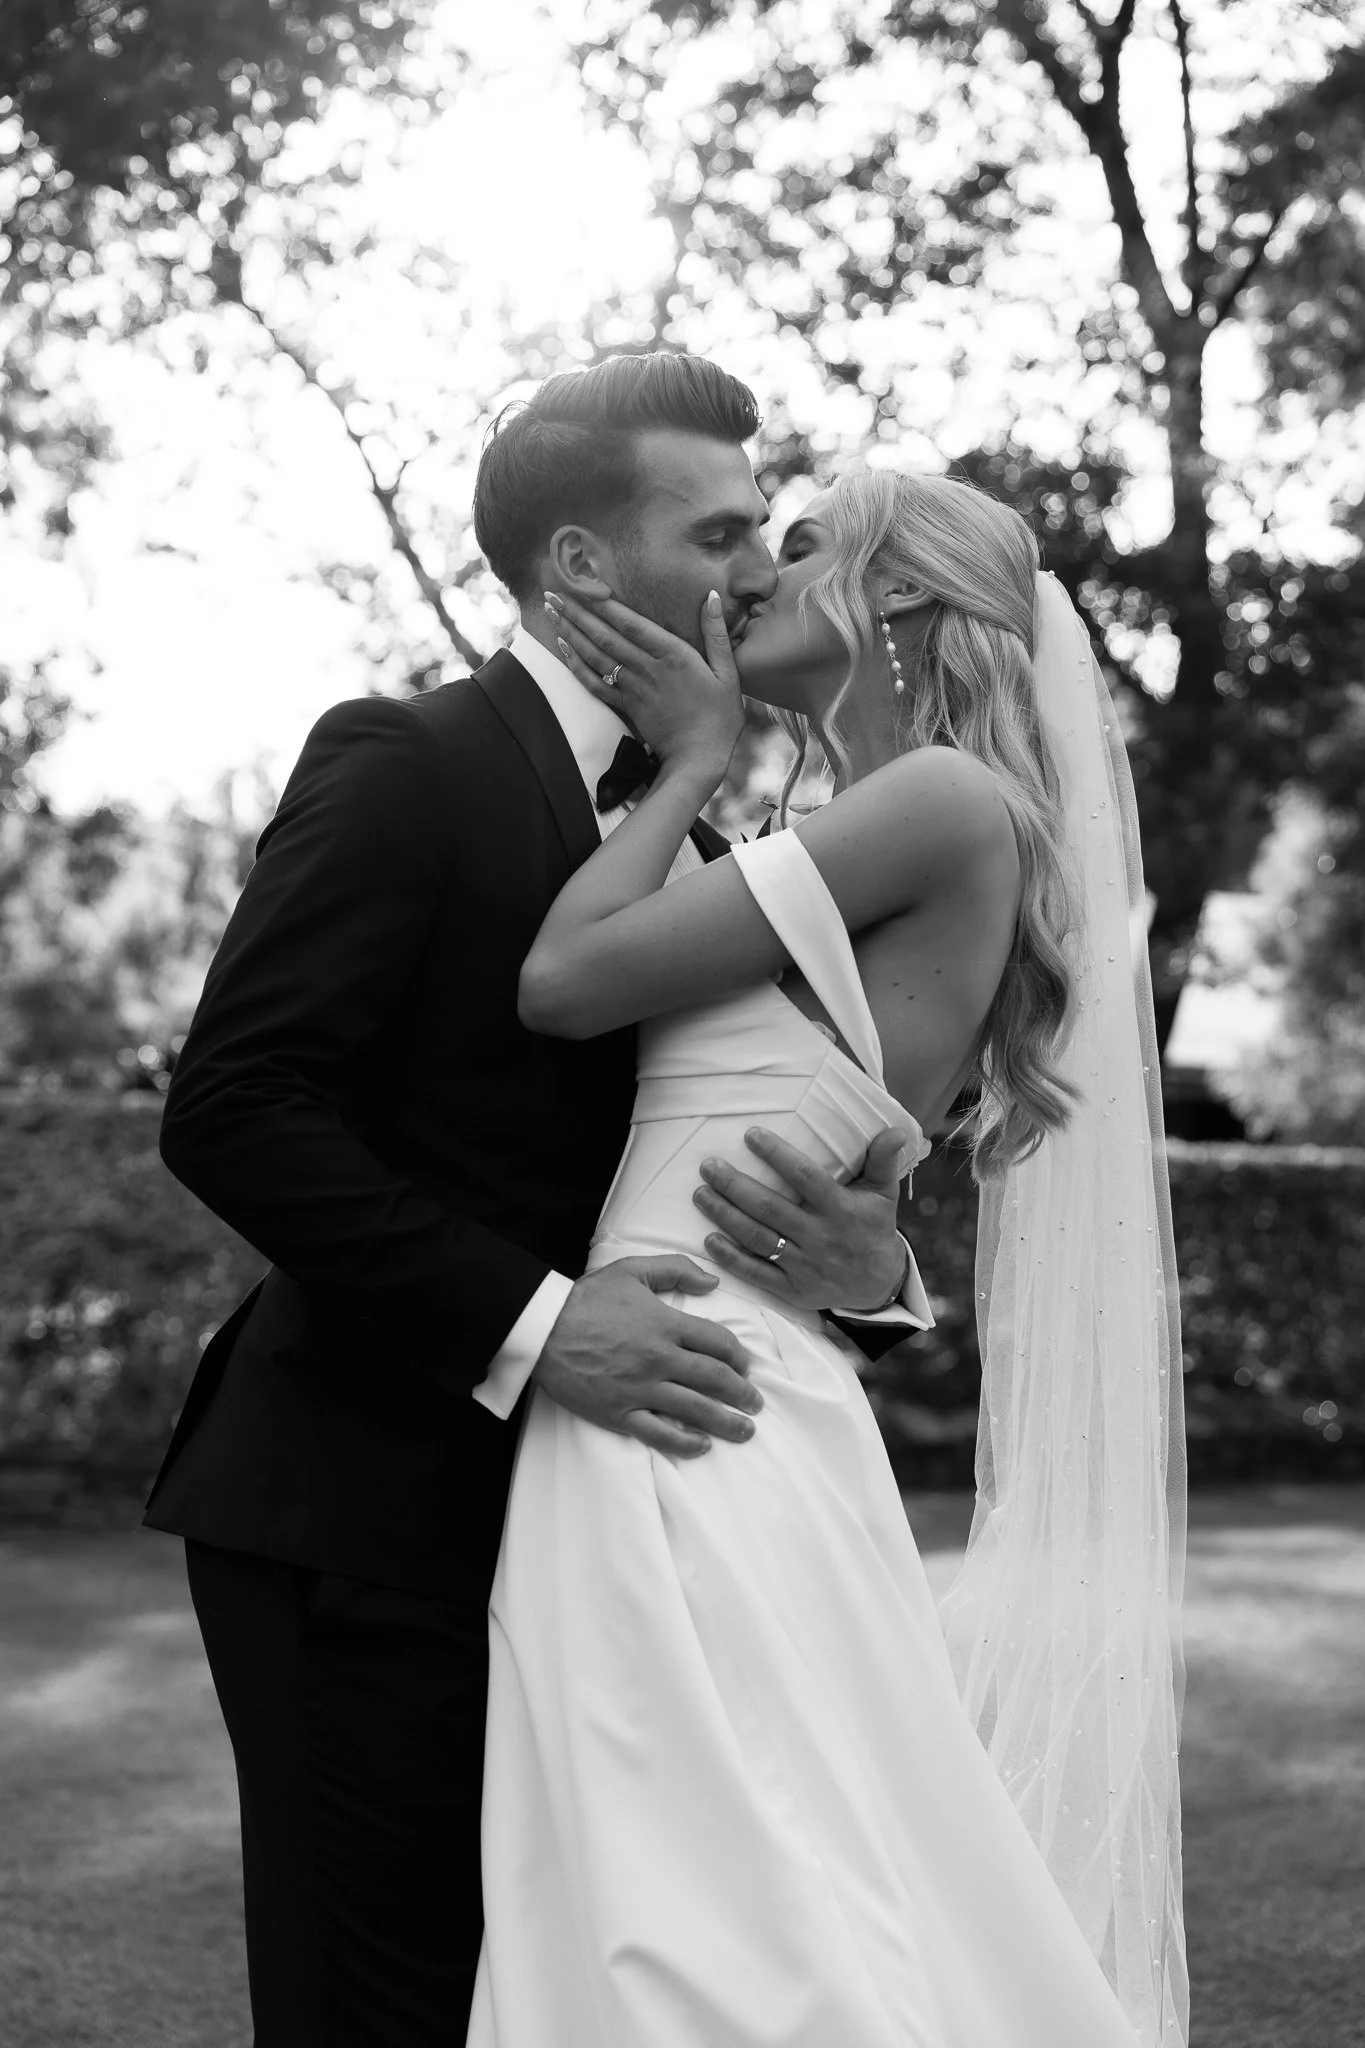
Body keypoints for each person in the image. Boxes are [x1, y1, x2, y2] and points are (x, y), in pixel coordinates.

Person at [143, 352, 929, 2045]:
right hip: (365, 1512)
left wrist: (870, 1275)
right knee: (392, 2010)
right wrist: (543, 1324)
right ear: (581, 565)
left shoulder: (698, 833)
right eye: (717, 529)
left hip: (615, 1545)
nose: (754, 570)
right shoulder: (405, 761)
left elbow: (737, 1140)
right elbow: (236, 1108)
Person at [469, 468, 1187, 2046]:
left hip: (685, 1403)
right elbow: (841, 1152)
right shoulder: (857, 825)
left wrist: (694, 751)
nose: (754, 577)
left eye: (798, 549)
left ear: (906, 603)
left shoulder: (935, 803)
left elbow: (567, 980)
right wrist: (880, 1266)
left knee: (718, 1917)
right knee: (725, 1888)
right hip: (712, 1379)